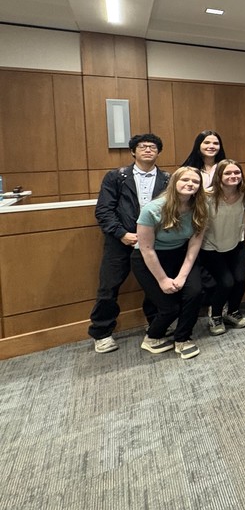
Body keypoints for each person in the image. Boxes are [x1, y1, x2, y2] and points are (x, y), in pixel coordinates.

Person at [88, 133, 169, 353]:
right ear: (133, 151)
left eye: (153, 147)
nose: (148, 150)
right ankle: (102, 333)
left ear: (158, 152)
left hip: (155, 241)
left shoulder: (167, 179)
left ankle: (155, 324)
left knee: (154, 285)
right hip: (120, 240)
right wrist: (122, 233)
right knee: (109, 286)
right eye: (142, 147)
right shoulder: (116, 177)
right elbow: (104, 210)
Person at [132, 166, 208, 359]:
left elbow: (195, 243)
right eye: (185, 180)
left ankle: (182, 339)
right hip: (149, 259)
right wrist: (163, 279)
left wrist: (182, 276)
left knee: (194, 293)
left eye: (195, 181)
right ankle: (152, 337)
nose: (190, 184)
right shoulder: (152, 209)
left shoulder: (200, 207)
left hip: (180, 255)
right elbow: (146, 249)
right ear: (174, 182)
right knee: (170, 308)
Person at [199, 160, 245, 335]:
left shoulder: (244, 192)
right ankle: (216, 315)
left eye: (237, 172)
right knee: (226, 282)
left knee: (240, 280)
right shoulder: (206, 196)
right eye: (228, 173)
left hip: (236, 242)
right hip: (211, 246)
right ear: (219, 176)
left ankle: (232, 312)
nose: (233, 176)